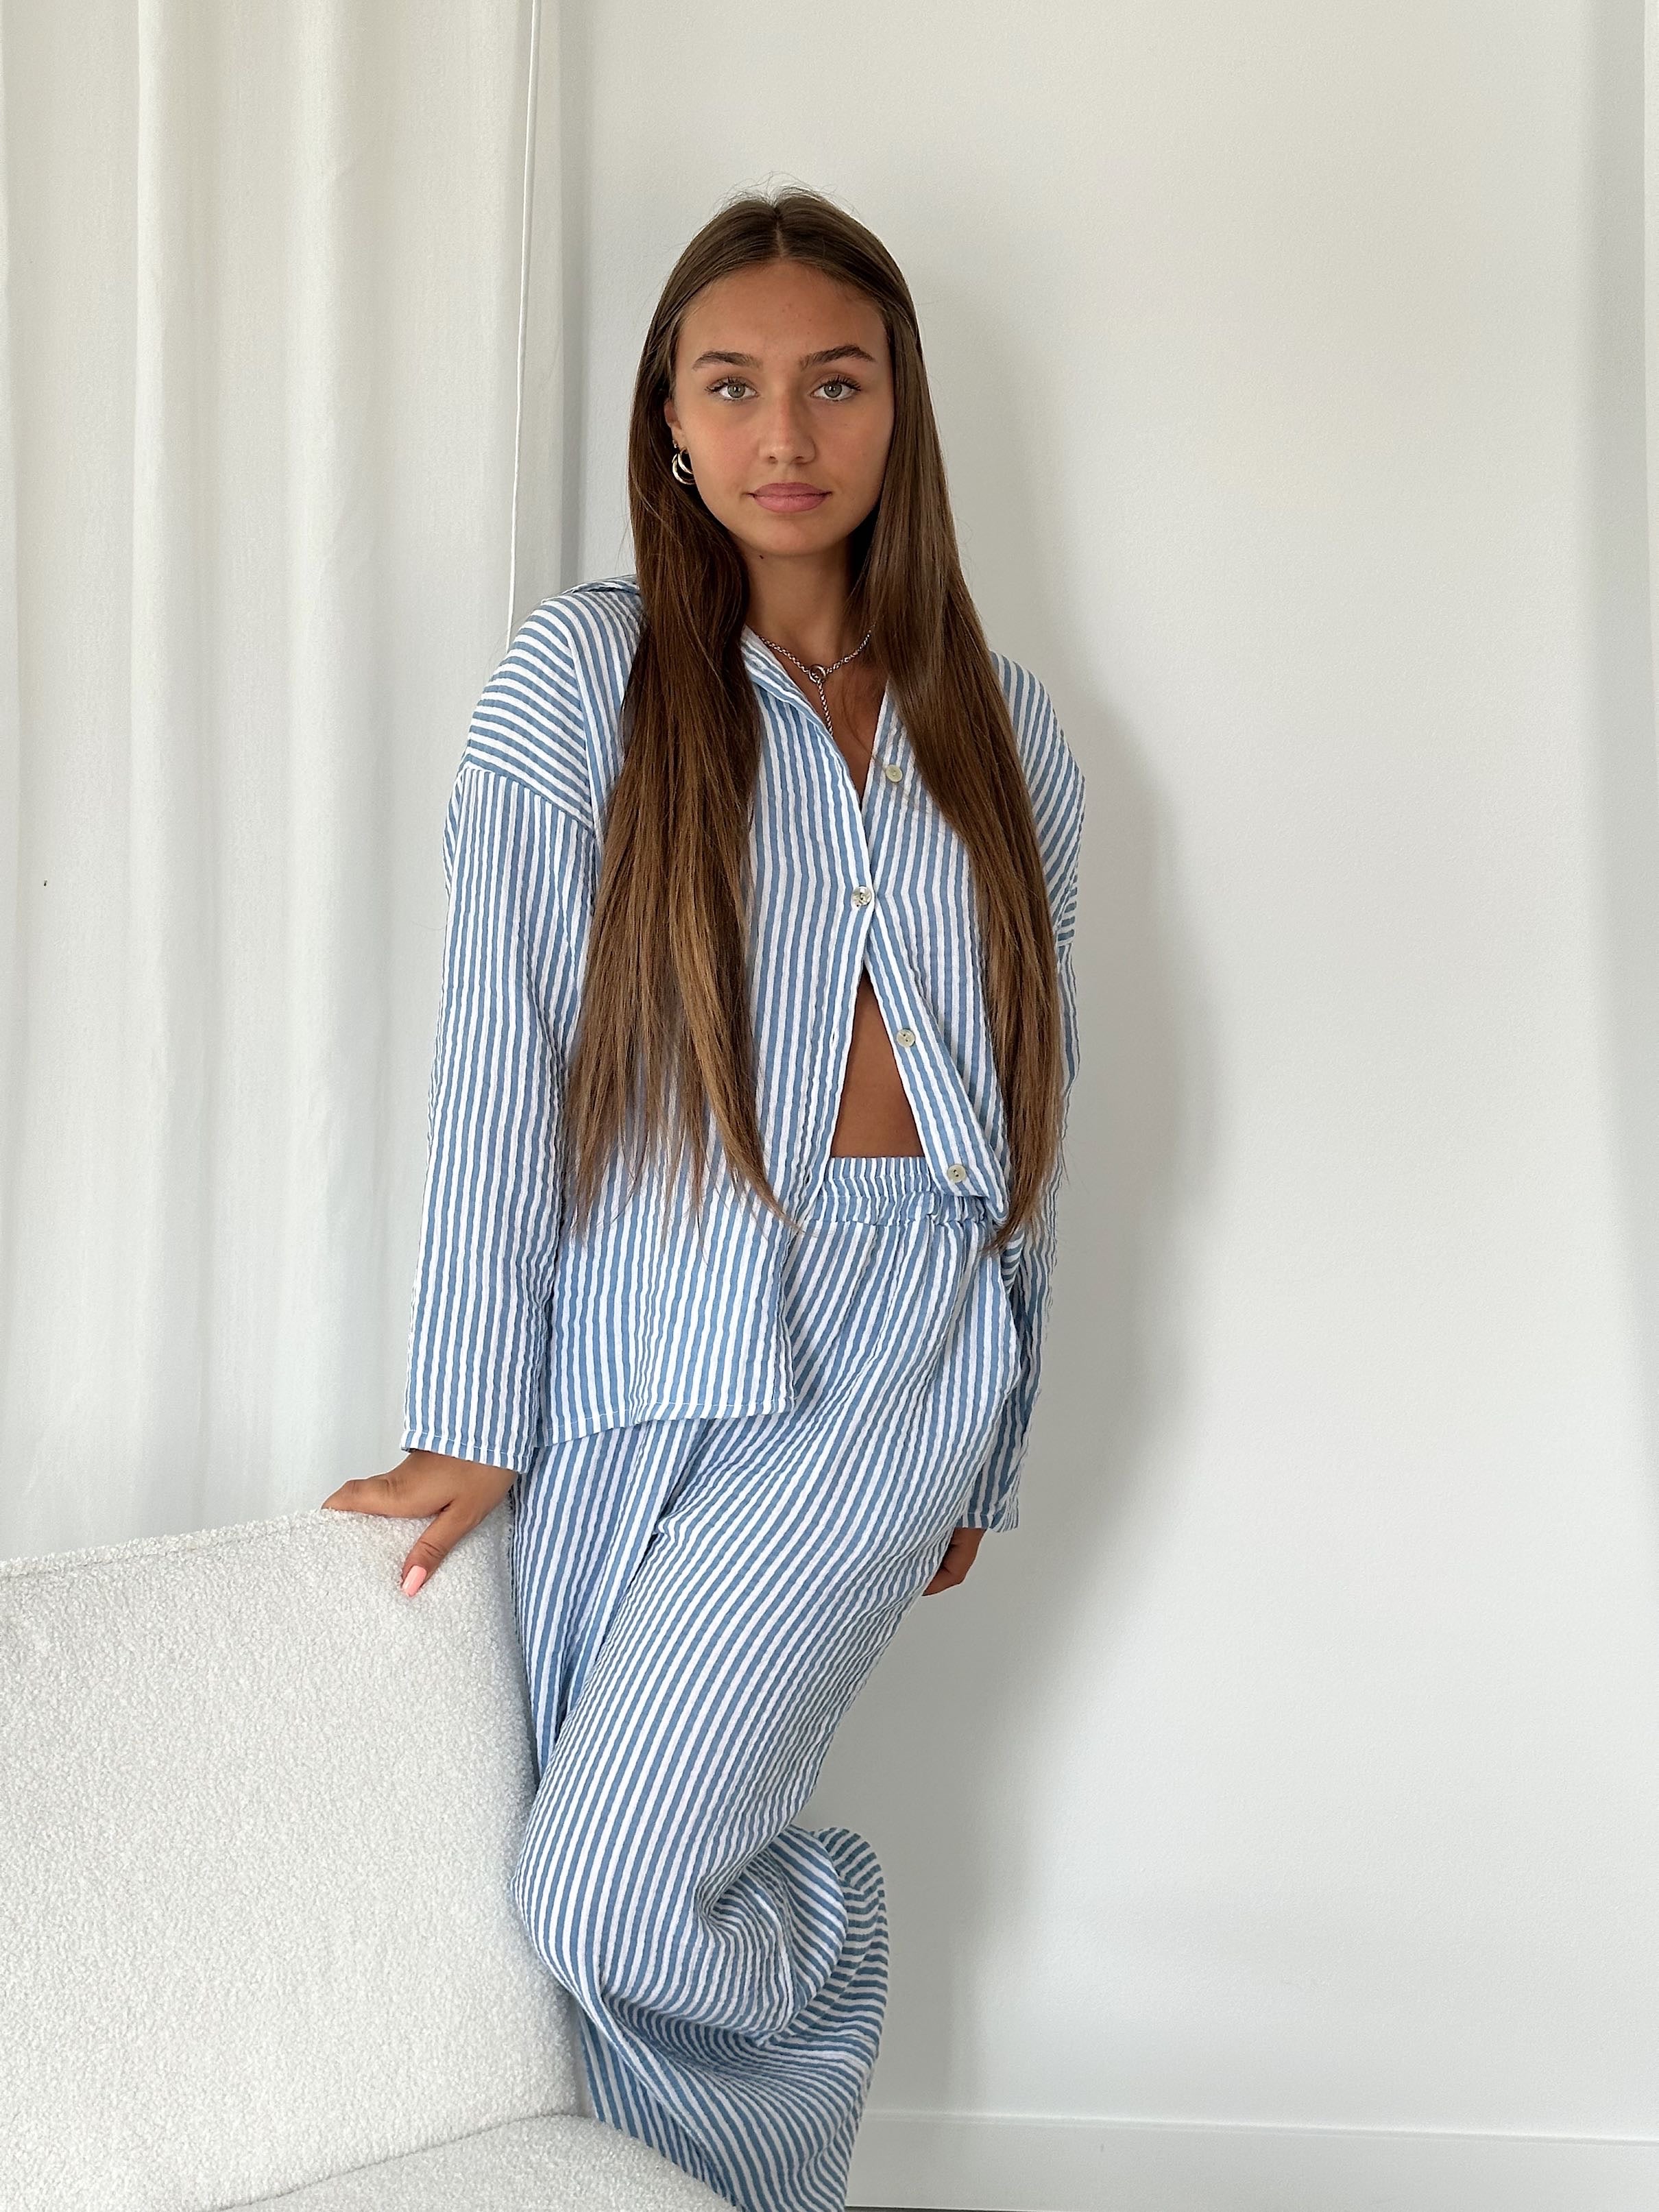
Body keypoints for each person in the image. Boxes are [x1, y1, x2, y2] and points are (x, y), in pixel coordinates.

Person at [322, 184, 1085, 2212]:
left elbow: (1037, 1096)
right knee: (556, 1909)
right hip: (629, 1332)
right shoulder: (584, 679)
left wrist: (992, 1438)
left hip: (897, 1347)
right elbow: (499, 1060)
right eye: (731, 385)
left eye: (836, 383)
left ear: (900, 411)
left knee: (605, 1879)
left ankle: (820, 1952)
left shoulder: (1004, 733)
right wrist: (467, 1421)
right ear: (666, 416)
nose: (785, 432)